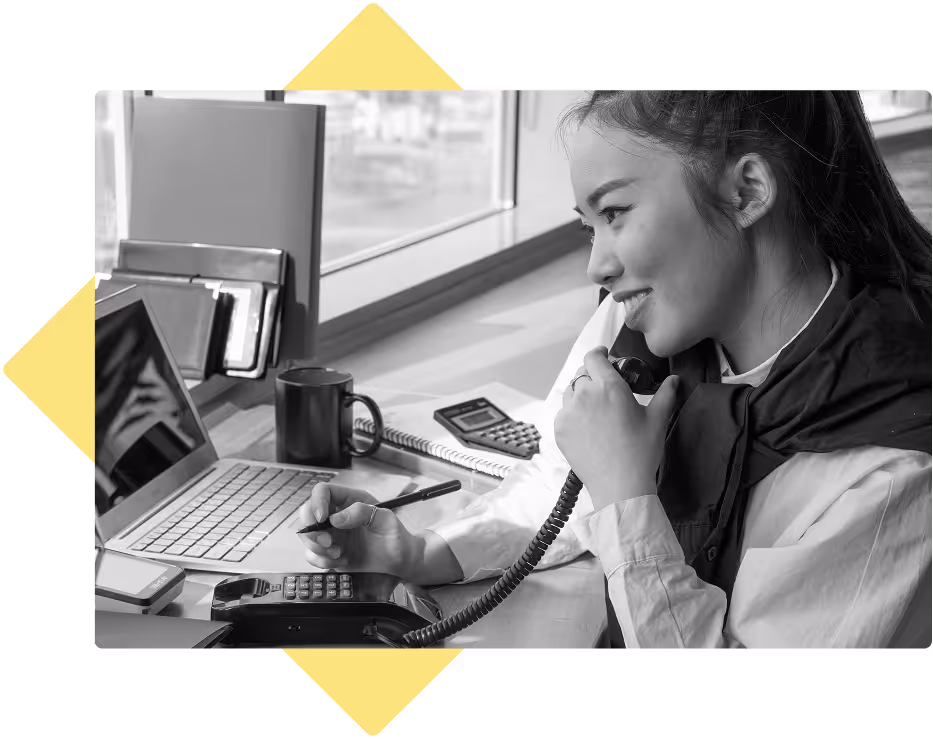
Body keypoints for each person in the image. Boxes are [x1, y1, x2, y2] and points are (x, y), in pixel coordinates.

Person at [298, 90, 932, 649]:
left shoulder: (889, 473)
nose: (596, 267)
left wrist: (628, 493)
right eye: (588, 228)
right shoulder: (642, 329)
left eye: (616, 213)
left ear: (747, 192)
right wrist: (420, 552)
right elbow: (563, 486)